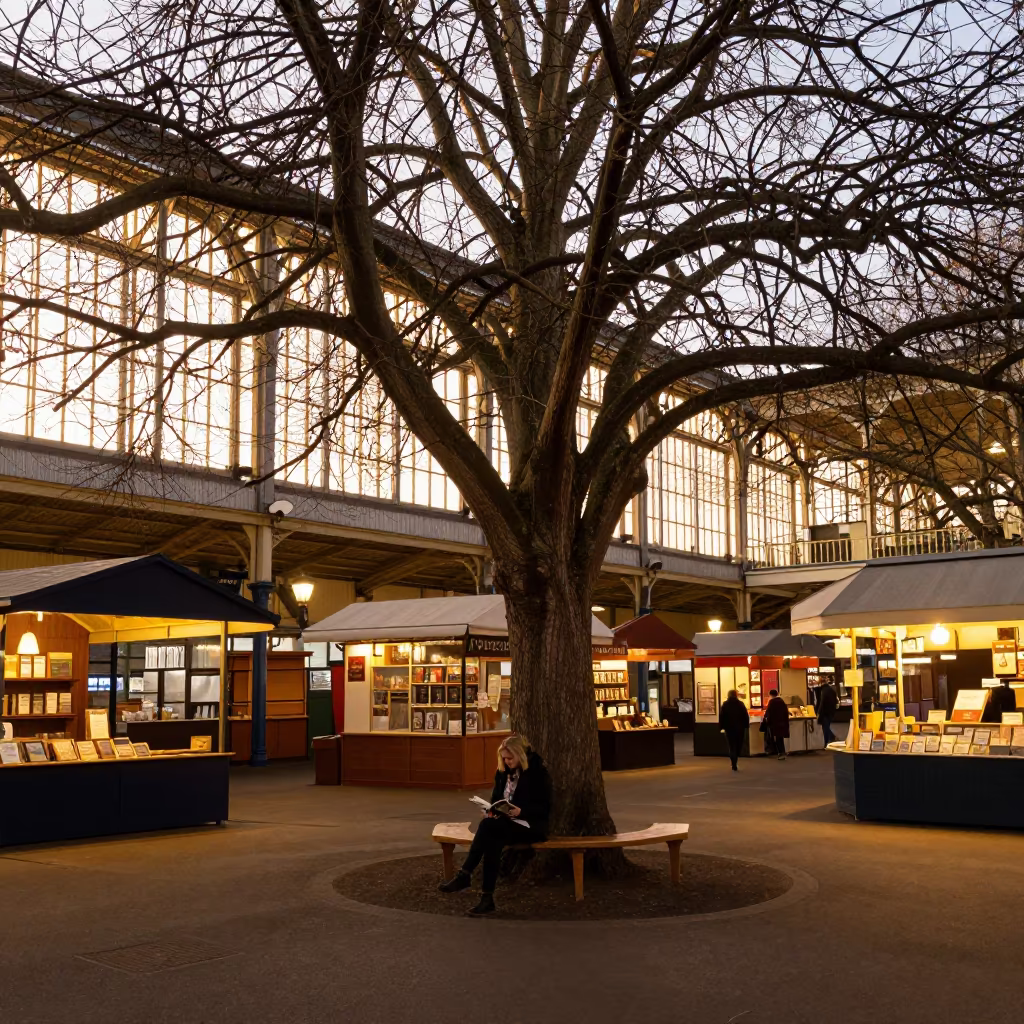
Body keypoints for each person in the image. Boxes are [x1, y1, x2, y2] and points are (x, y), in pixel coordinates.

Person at [438, 734, 551, 916]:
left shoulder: (537, 772)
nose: (507, 762)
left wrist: (522, 811)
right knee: (491, 834)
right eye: (504, 758)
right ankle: (485, 898)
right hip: (505, 823)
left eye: (510, 758)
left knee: (488, 829)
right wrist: (490, 810)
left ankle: (466, 876)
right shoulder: (502, 772)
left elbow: (544, 806)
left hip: (529, 825)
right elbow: (496, 800)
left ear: (520, 755)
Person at [719, 688, 749, 771]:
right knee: (739, 744)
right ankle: (736, 757)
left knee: (732, 746)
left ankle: (733, 762)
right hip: (740, 728)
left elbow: (722, 717)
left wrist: (722, 727)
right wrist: (746, 725)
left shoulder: (725, 704)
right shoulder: (740, 704)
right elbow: (745, 715)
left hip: (729, 728)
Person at [763, 688, 791, 760]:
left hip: (775, 724)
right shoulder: (782, 701)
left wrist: (767, 721)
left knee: (777, 739)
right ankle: (782, 752)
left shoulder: (772, 702)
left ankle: (780, 753)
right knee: (780, 738)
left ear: (770, 695)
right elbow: (786, 712)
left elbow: (769, 713)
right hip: (782, 723)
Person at [817, 680, 839, 746]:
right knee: (827, 726)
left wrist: (819, 712)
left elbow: (822, 703)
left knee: (825, 727)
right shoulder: (831, 690)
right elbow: (836, 700)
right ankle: (832, 737)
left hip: (825, 712)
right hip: (831, 711)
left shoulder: (824, 691)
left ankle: (827, 741)